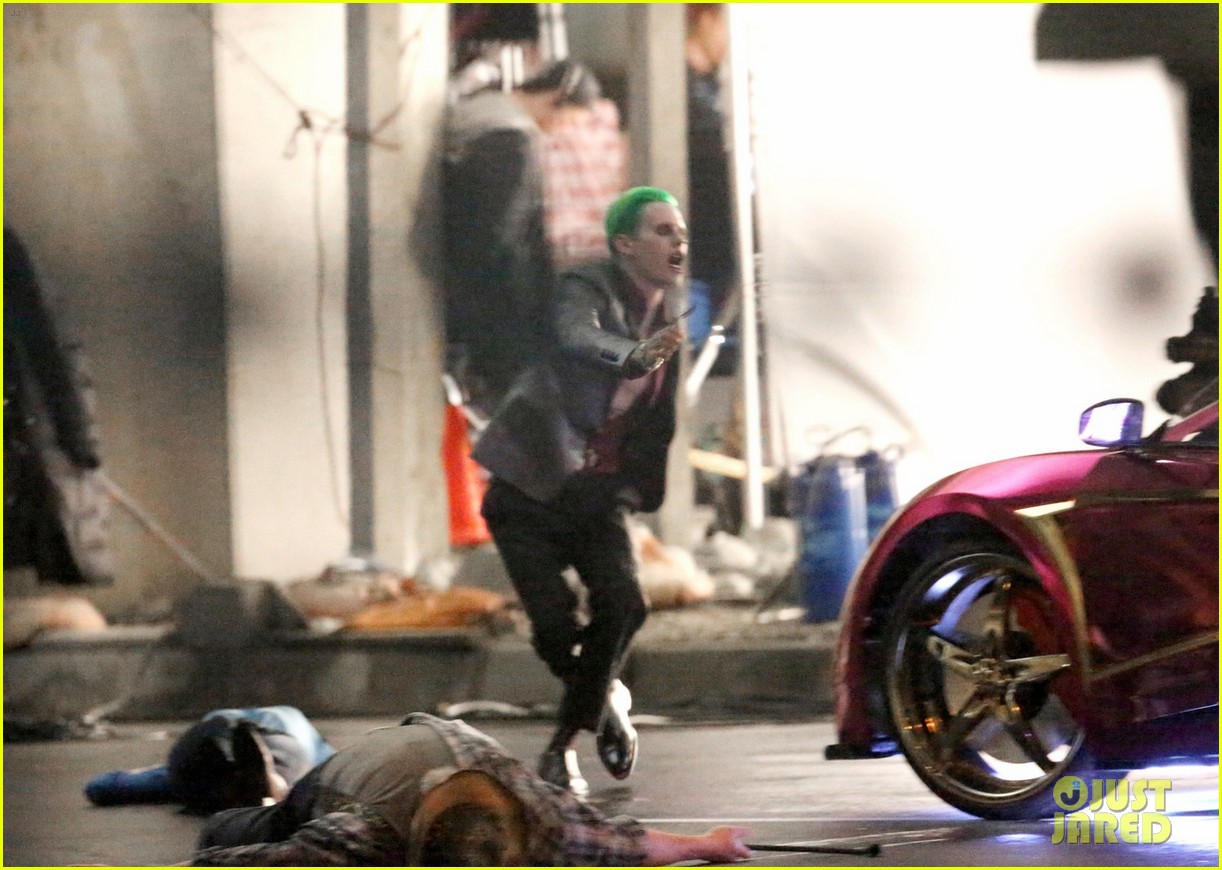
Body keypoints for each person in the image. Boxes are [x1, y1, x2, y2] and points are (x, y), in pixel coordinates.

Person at [471, 187, 689, 794]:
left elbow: (655, 417)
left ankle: (564, 743)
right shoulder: (586, 287)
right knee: (554, 629)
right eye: (662, 231)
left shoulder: (670, 319)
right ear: (625, 245)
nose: (678, 242)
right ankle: (605, 696)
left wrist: (633, 486)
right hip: (529, 484)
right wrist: (630, 356)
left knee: (625, 602)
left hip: (597, 493)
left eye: (680, 232)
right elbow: (574, 334)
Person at [188, 712, 751, 866]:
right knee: (232, 827)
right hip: (343, 781)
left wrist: (709, 844)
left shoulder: (543, 819)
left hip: (434, 744)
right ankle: (267, 792)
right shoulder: (360, 838)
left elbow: (622, 844)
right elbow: (225, 861)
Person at [443, 58, 602, 416]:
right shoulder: (510, 142)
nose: (560, 133)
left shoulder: (476, 113)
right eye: (566, 121)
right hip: (496, 314)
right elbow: (501, 239)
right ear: (554, 98)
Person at [85, 706, 335, 814]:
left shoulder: (184, 777)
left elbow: (101, 786)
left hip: (275, 730)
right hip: (263, 732)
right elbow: (100, 787)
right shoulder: (186, 776)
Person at [684, 4, 737, 354]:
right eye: (728, 27)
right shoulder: (677, 86)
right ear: (707, 18)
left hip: (720, 247)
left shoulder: (714, 85)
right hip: (695, 250)